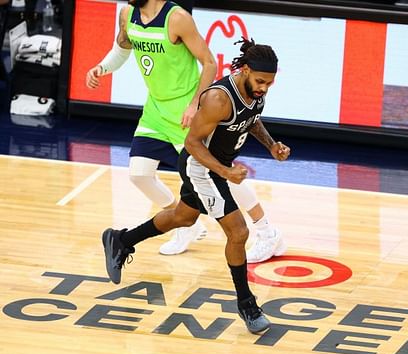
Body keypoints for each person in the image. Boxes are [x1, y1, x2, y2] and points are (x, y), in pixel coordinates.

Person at [102, 37, 290, 333]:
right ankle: (247, 305)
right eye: (261, 80)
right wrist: (225, 172)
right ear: (244, 70)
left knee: (182, 217)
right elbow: (191, 142)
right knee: (239, 232)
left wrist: (271, 146)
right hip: (201, 167)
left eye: (269, 82)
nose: (265, 87)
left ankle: (121, 240)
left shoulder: (255, 92)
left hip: (217, 167)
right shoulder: (218, 98)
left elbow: (251, 120)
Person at [86, 0, 285, 263]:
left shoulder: (177, 18)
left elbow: (209, 63)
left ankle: (266, 231)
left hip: (186, 110)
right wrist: (103, 67)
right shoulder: (127, 14)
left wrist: (194, 103)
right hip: (156, 108)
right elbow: (122, 48)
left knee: (219, 174)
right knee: (139, 174)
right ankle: (186, 227)